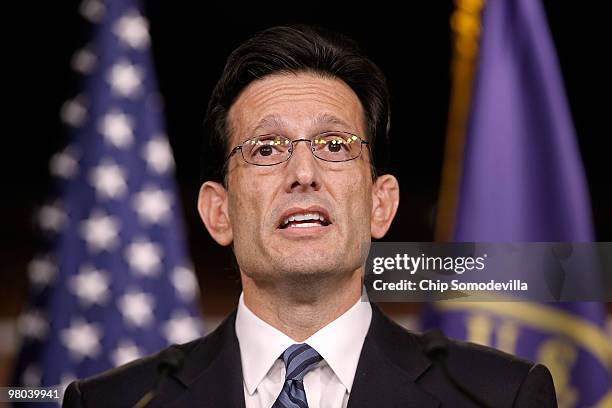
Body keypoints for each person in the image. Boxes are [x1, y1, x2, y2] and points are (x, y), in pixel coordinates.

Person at [63, 24, 557, 408]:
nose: (303, 172)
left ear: (380, 204)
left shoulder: (498, 396)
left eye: (335, 145)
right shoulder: (118, 401)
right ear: (219, 212)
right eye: (266, 148)